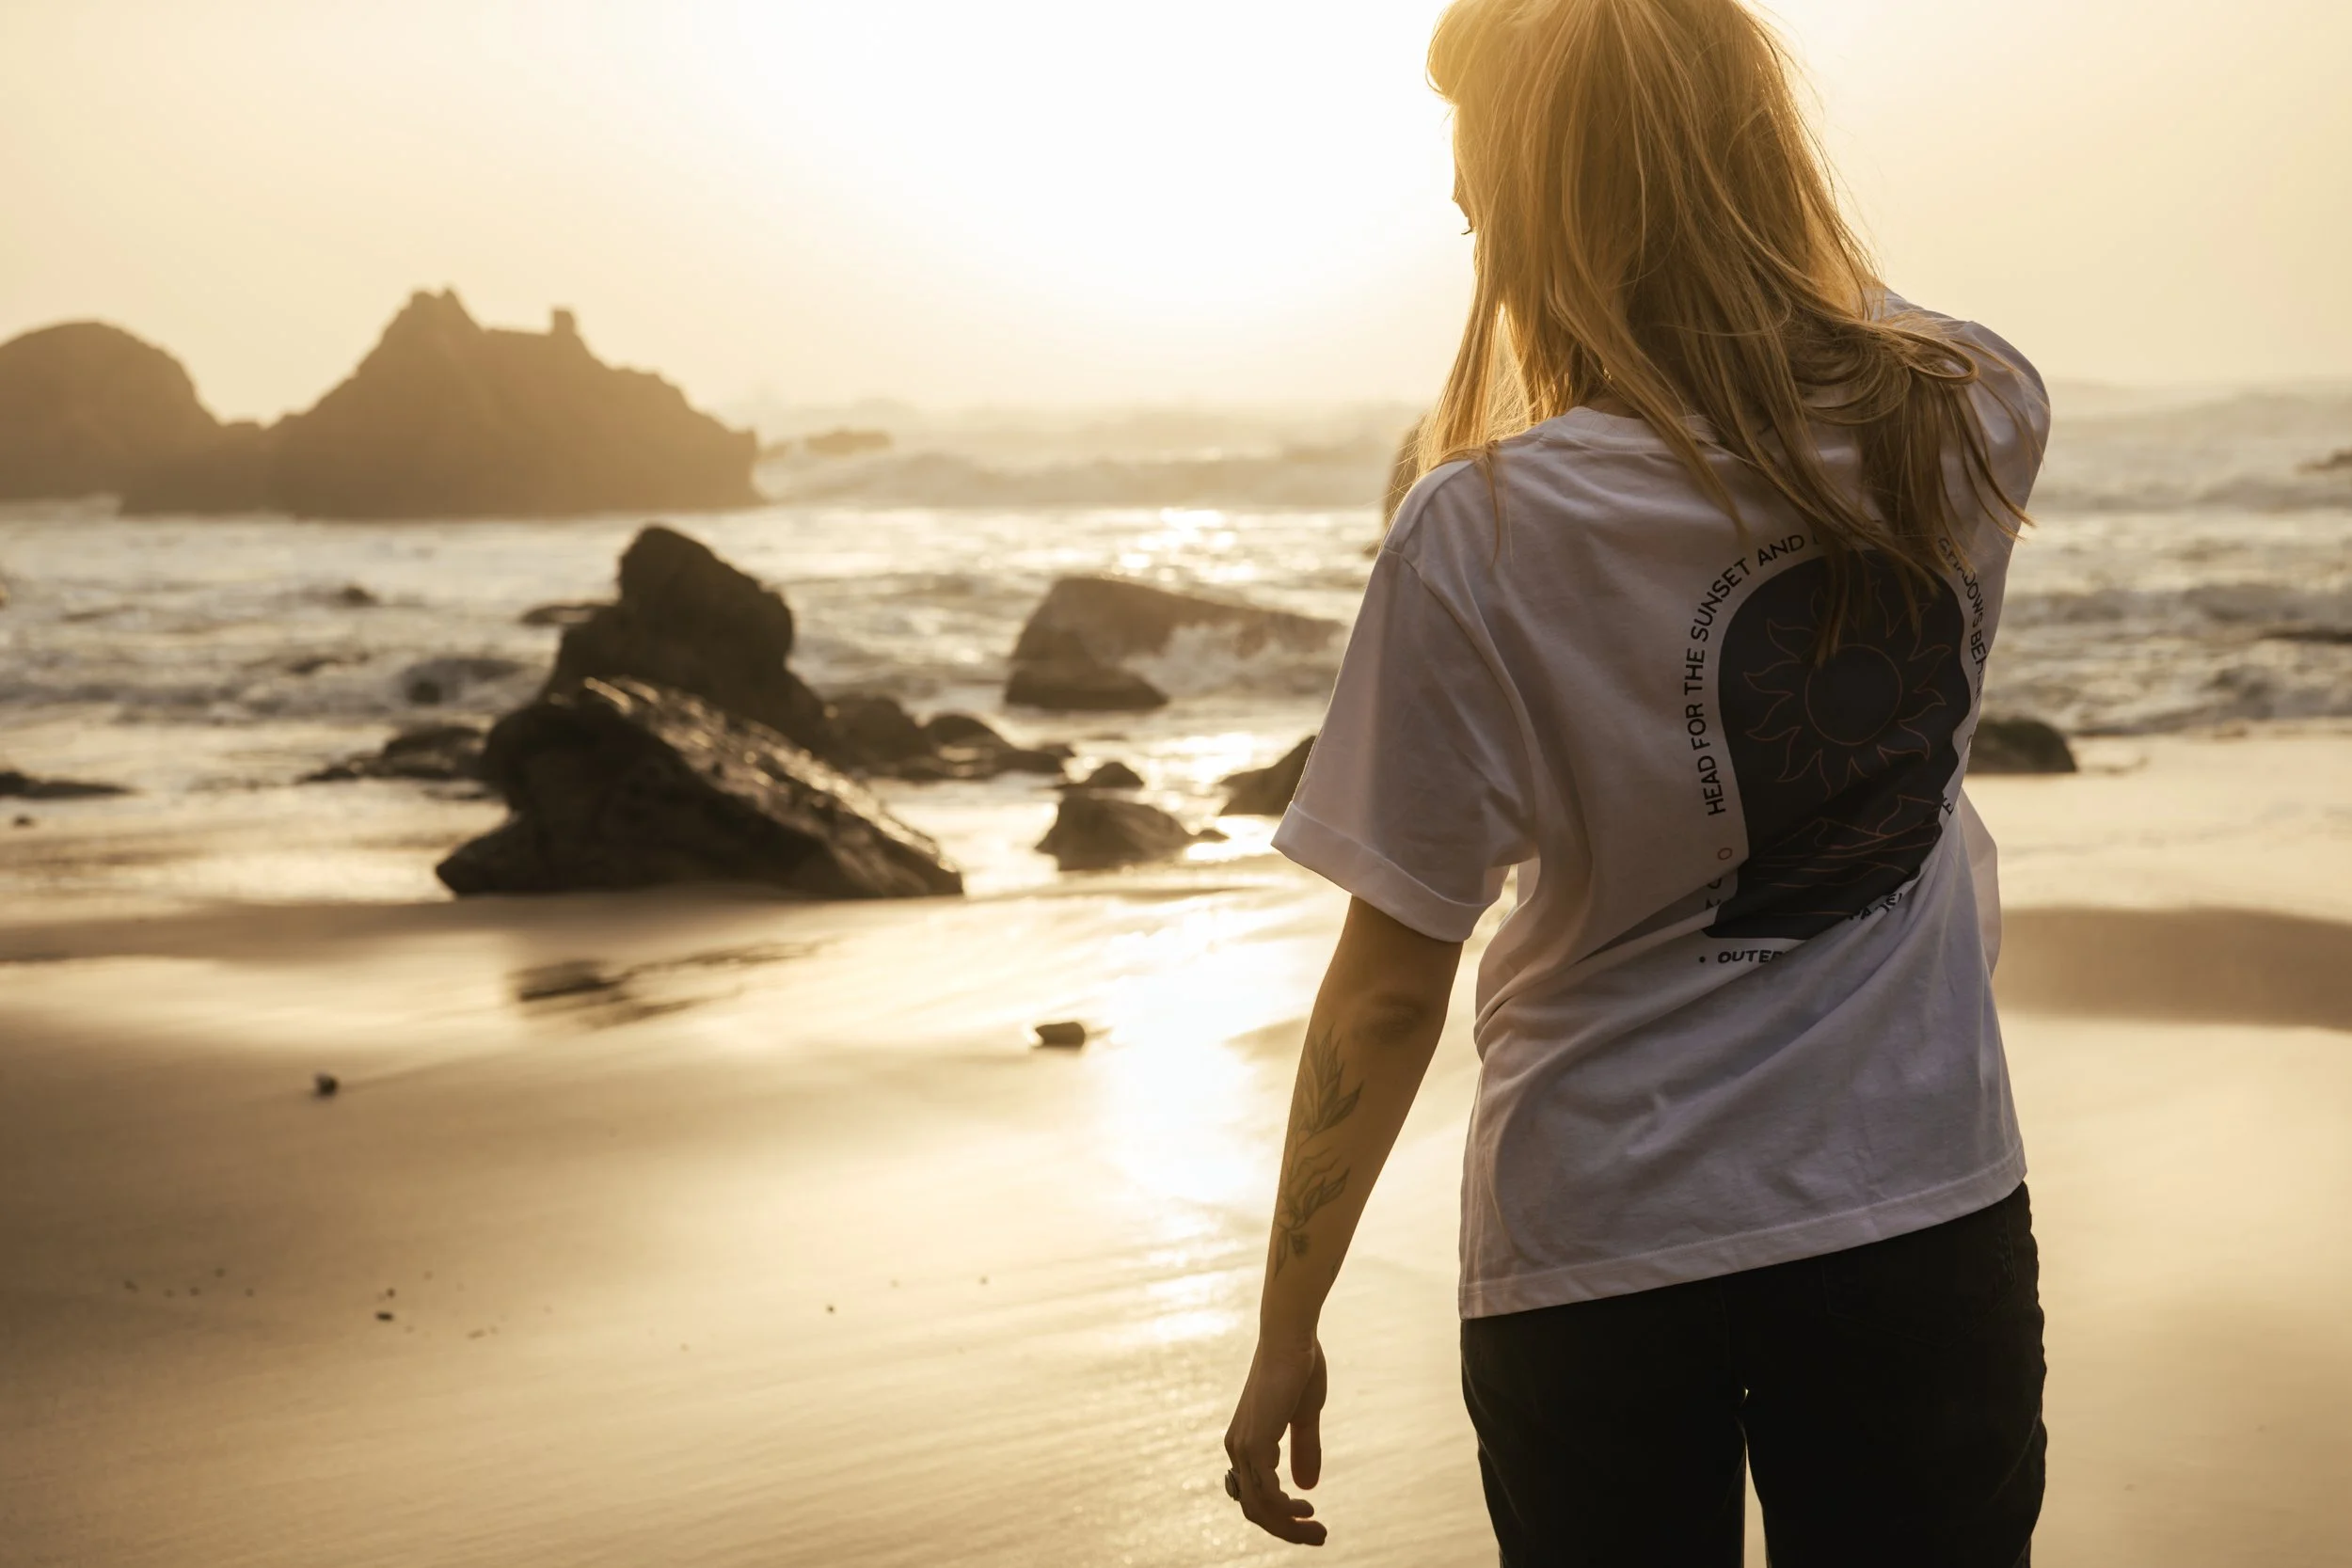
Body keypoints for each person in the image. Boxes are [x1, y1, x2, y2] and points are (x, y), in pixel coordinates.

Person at [1220, 0, 2052, 1562]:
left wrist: (1287, 1320)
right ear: (1756, 154)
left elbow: (1395, 980)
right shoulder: (1976, 408)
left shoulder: (1480, 532)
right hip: (1914, 1209)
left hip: (1597, 1249)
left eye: (1479, 158)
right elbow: (1842, 347)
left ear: (1558, 188)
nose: (1458, 201)